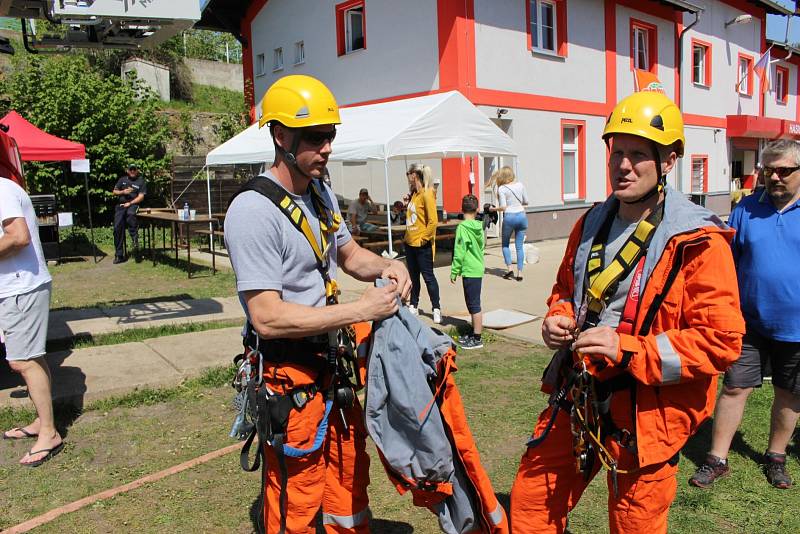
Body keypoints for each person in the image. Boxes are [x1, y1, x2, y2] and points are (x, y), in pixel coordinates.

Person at [509, 92, 745, 533]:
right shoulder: (591, 222)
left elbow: (721, 341)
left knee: (635, 525)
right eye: (617, 151)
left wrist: (630, 350)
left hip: (647, 414)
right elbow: (566, 290)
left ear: (669, 161)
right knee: (531, 507)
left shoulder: (697, 240)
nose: (623, 165)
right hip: (578, 394)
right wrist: (556, 317)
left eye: (638, 155)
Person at [224, 74, 411, 533]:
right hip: (291, 375)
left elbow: (349, 256)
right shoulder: (253, 211)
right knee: (298, 495)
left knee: (348, 481)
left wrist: (390, 264)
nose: (326, 147)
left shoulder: (320, 192)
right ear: (280, 136)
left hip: (332, 366)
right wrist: (360, 311)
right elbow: (266, 318)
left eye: (330, 136)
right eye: (315, 137)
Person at [689, 139, 800, 490]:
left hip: (797, 329)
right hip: (747, 323)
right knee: (735, 388)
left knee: (789, 394)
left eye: (784, 170)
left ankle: (776, 457)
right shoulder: (746, 209)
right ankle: (716, 458)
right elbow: (726, 262)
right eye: (769, 170)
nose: (776, 177)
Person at [0, 177, 64, 467]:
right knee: (32, 357)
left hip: (20, 289)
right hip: (20, 287)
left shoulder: (0, 190)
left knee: (22, 361)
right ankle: (43, 422)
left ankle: (49, 433)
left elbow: (18, 236)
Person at [404, 163, 442, 324]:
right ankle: (414, 304)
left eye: (408, 174)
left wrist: (423, 239)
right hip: (410, 242)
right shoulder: (415, 194)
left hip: (421, 244)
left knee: (428, 277)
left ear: (415, 175)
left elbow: (433, 222)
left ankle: (436, 308)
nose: (407, 177)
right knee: (413, 277)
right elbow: (415, 217)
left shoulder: (427, 194)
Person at [450, 194, 485, 350]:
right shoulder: (479, 226)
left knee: (474, 305)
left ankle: (477, 338)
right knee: (473, 303)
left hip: (470, 270)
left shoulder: (463, 228)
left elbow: (460, 251)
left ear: (462, 209)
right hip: (477, 268)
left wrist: (454, 271)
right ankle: (474, 333)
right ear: (477, 210)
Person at [493, 166, 529, 281]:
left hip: (510, 217)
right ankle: (520, 273)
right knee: (519, 247)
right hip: (522, 216)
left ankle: (509, 269)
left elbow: (503, 207)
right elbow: (526, 201)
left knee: (505, 244)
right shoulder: (520, 185)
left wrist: (493, 210)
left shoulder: (502, 189)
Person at [112, 163, 146, 264]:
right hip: (121, 206)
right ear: (127, 170)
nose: (132, 171)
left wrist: (130, 203)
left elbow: (141, 197)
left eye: (134, 169)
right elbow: (114, 191)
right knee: (117, 228)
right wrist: (123, 192)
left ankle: (135, 240)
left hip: (132, 205)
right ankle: (119, 255)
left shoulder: (141, 181)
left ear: (137, 170)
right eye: (130, 169)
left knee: (131, 215)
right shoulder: (122, 180)